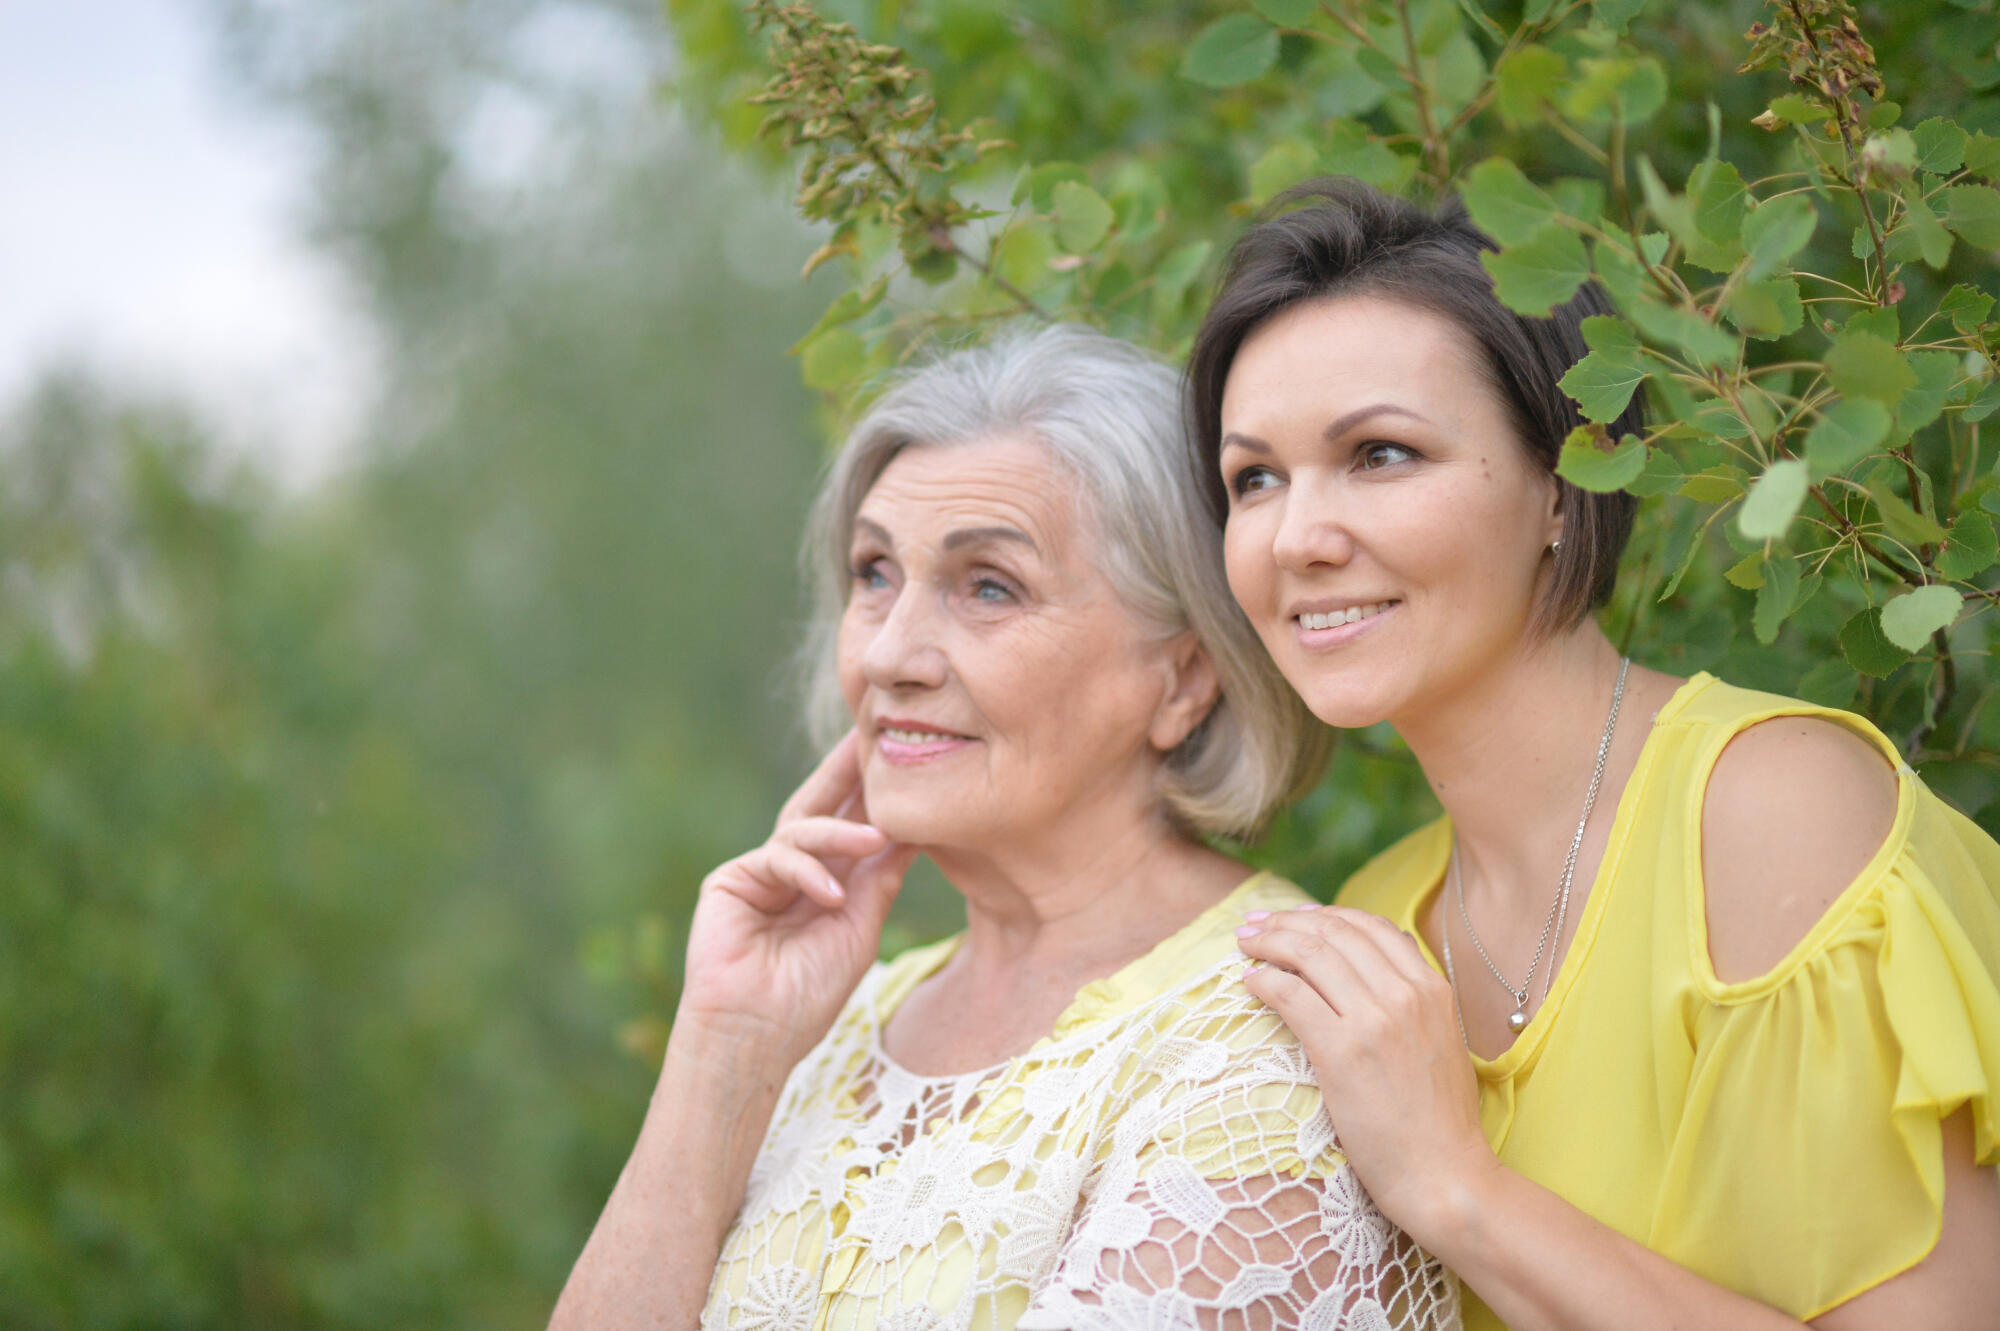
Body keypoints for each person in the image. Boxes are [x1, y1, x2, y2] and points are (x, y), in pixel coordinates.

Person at [1185, 177, 2000, 1329]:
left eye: (1377, 453)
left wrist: (1453, 1186)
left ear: (1565, 480)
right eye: (1251, 478)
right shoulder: (1382, 924)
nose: (1296, 538)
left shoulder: (1768, 813)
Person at [550, 323, 1461, 1330]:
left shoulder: (1260, 1047)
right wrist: (725, 1047)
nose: (891, 653)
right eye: (873, 573)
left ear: (1183, 678)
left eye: (988, 586)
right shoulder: (835, 1023)